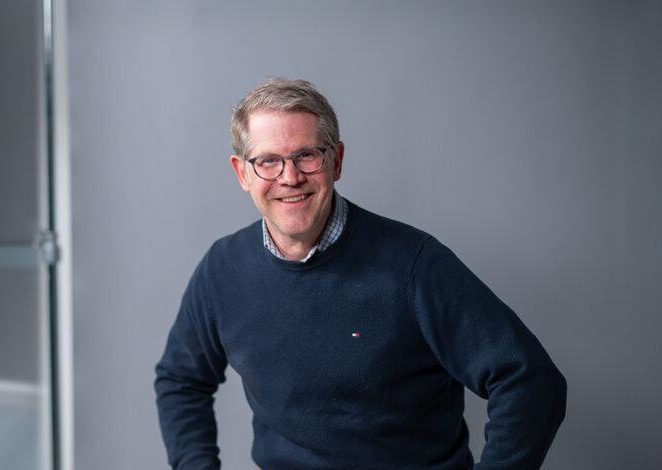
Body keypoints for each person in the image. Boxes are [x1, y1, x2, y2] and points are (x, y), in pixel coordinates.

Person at [154, 78, 566, 470]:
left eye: (306, 156)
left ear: (336, 161)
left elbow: (528, 381)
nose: (290, 177)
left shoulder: (414, 265)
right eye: (268, 161)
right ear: (242, 173)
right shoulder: (222, 270)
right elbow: (180, 379)